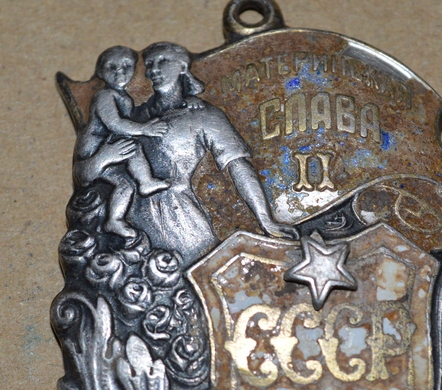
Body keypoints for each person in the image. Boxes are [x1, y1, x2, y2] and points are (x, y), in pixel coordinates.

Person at [88, 42, 298, 265]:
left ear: (182, 67)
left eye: (163, 61)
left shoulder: (204, 115)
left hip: (180, 219)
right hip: (131, 225)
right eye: (149, 64)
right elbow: (85, 174)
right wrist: (101, 159)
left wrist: (266, 220)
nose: (154, 70)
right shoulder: (134, 118)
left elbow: (238, 167)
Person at [74, 46, 170, 239]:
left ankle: (114, 220)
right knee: (133, 147)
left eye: (126, 66)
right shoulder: (105, 95)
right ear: (101, 72)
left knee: (125, 186)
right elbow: (115, 124)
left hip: (106, 146)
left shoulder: (123, 96)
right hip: (93, 149)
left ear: (134, 69)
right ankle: (146, 181)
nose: (120, 71)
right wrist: (144, 129)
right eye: (112, 66)